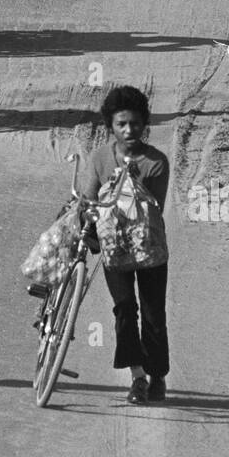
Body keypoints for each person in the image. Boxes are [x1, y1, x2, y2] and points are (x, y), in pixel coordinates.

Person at [83, 85, 171, 405]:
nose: (129, 130)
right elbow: (88, 201)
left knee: (153, 313)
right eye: (121, 124)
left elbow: (153, 208)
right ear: (111, 126)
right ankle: (138, 378)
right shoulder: (99, 159)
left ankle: (157, 374)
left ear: (144, 124)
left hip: (148, 249)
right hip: (114, 249)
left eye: (134, 123)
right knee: (124, 310)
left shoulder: (156, 162)